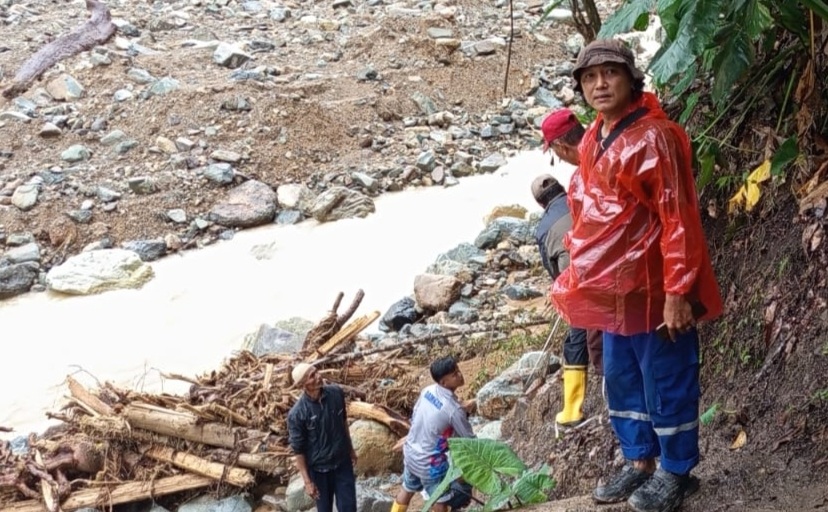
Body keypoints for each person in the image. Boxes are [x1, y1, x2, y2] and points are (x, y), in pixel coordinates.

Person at [549, 39, 724, 512]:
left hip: (651, 288)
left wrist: (678, 291)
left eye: (609, 73)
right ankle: (639, 460)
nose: (600, 84)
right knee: (623, 379)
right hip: (611, 293)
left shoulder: (654, 137)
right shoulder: (592, 138)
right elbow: (589, 214)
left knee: (666, 377)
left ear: (630, 78)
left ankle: (677, 470)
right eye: (589, 77)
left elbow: (677, 218)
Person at [391, 357, 476, 512]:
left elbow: (416, 415)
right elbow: (470, 441)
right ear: (443, 382)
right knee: (439, 499)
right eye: (454, 374)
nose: (460, 375)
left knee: (406, 489)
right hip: (430, 463)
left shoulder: (427, 391)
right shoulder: (453, 410)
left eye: (458, 370)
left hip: (411, 452)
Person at [287, 363, 358, 512]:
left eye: (316, 371)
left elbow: (343, 422)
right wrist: (307, 482)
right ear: (303, 384)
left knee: (349, 507)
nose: (318, 376)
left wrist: (350, 449)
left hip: (342, 464)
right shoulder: (297, 414)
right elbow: (298, 450)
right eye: (312, 376)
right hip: (319, 472)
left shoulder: (336, 393)